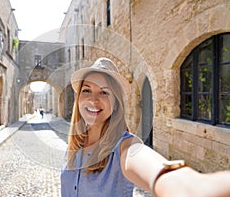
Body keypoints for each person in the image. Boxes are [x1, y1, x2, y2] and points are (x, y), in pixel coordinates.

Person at [61, 57, 230, 197]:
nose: (93, 100)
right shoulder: (75, 146)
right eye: (86, 90)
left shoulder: (125, 146)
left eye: (104, 92)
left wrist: (180, 183)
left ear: (116, 103)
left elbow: (144, 161)